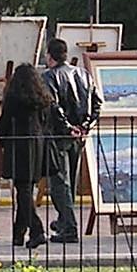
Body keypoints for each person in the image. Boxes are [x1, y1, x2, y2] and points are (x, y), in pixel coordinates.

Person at [0, 62, 56, 251]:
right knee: (26, 189)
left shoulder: (14, 98)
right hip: (37, 145)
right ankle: (18, 234)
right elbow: (48, 123)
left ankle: (37, 230)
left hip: (19, 145)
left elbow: (3, 125)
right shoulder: (43, 99)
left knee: (22, 190)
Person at [41, 37, 94, 243]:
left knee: (60, 182)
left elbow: (54, 107)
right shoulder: (83, 74)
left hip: (60, 135)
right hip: (78, 134)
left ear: (50, 56)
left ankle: (69, 227)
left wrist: (67, 127)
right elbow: (96, 102)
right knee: (69, 179)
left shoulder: (50, 77)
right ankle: (64, 221)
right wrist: (85, 125)